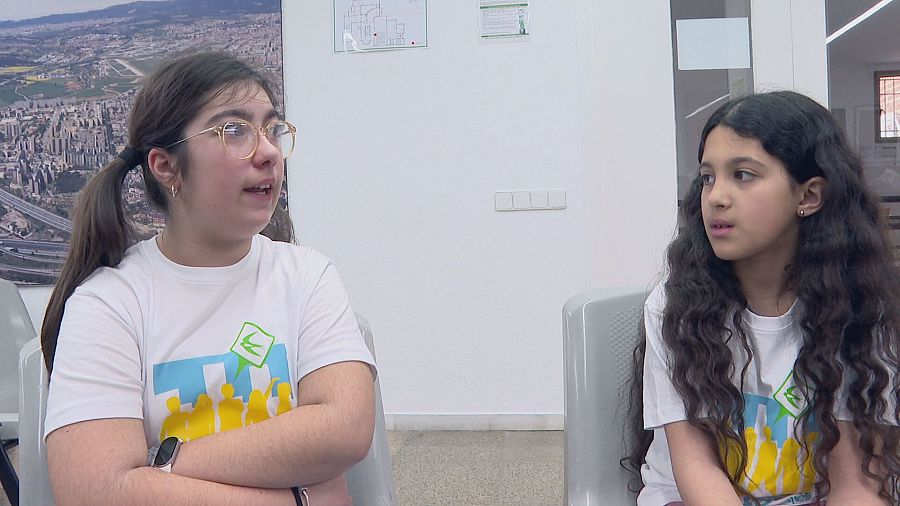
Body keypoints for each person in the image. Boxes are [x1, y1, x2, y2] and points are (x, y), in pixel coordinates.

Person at [41, 52, 377, 505]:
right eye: (234, 130)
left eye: (272, 129)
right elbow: (95, 492)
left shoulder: (306, 275)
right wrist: (295, 498)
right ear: (166, 167)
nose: (270, 152)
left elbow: (346, 429)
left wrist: (161, 465)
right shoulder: (110, 303)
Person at [622, 91, 899, 506]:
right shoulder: (674, 307)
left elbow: (854, 485)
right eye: (708, 177)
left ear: (808, 196)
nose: (716, 196)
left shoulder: (861, 307)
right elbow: (696, 469)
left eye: (744, 175)